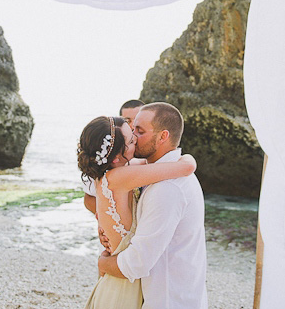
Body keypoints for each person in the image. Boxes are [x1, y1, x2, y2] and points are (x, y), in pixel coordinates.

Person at [77, 115, 196, 309]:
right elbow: (187, 167)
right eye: (132, 140)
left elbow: (151, 166)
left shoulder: (113, 173)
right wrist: (186, 155)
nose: (136, 139)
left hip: (118, 275)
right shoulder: (121, 176)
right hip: (123, 283)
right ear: (116, 156)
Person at [83, 99, 145, 215]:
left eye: (137, 120)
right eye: (127, 120)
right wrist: (105, 219)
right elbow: (89, 198)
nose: (132, 126)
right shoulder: (110, 168)